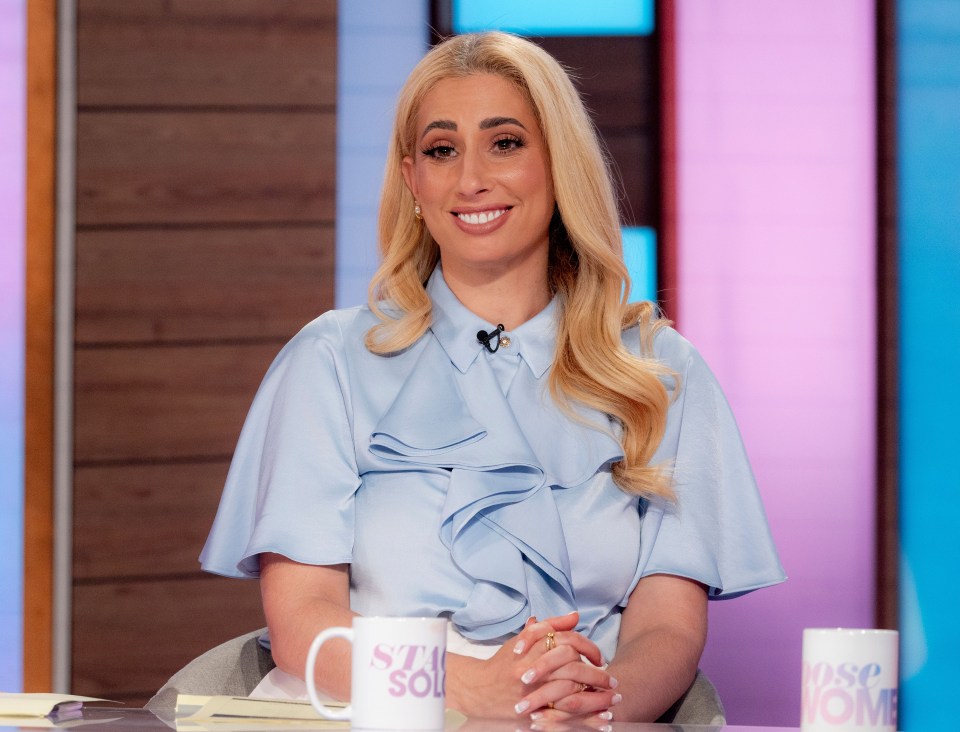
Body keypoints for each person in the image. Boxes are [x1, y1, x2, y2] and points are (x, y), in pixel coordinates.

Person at [200, 31, 785, 724]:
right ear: (413, 178)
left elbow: (668, 627)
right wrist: (459, 688)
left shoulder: (660, 373)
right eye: (442, 150)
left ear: (557, 163)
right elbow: (304, 622)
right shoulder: (328, 361)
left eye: (505, 142)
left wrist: (598, 701)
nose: (470, 178)